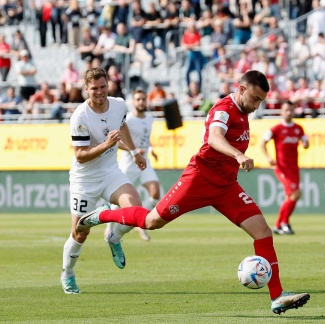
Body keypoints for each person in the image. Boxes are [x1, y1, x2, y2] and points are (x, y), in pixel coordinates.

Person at [76, 70, 310, 314]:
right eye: (254, 98)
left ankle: (277, 296)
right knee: (152, 221)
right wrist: (239, 154)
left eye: (261, 101)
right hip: (199, 179)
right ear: (241, 89)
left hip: (226, 186)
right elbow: (215, 139)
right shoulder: (223, 109)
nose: (257, 105)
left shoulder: (243, 111)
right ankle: (102, 216)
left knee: (262, 231)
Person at [61, 67, 147, 294]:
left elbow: (122, 126)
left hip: (110, 172)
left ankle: (113, 236)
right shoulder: (80, 116)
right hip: (85, 180)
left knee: (135, 210)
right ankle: (68, 274)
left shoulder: (118, 104)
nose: (99, 92)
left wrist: (133, 152)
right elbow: (80, 155)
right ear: (86, 89)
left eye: (102, 87)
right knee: (80, 233)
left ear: (108, 84)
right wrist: (107, 145)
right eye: (94, 89)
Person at [105, 88, 161, 242]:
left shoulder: (150, 118)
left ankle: (140, 224)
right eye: (138, 99)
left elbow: (145, 138)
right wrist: (134, 150)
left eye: (143, 99)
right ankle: (109, 229)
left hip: (144, 162)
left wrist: (151, 149)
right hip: (129, 162)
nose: (141, 102)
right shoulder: (127, 119)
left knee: (155, 193)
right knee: (119, 198)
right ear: (133, 101)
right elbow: (117, 140)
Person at [260, 101, 309, 235]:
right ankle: (284, 223)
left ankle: (278, 225)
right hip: (282, 168)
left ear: (294, 111)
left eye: (291, 110)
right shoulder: (276, 129)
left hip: (294, 168)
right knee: (296, 194)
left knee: (291, 197)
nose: (288, 112)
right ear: (281, 111)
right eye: (286, 110)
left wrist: (305, 143)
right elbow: (263, 142)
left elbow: (305, 141)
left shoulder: (298, 128)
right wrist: (269, 158)